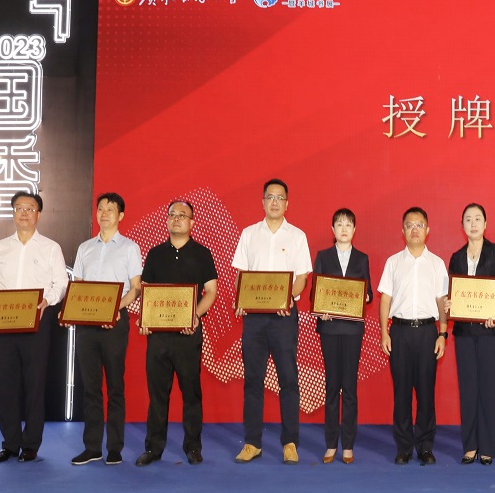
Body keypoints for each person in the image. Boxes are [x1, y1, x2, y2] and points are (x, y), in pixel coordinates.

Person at [0, 191, 68, 464]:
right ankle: (10, 444)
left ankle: (31, 445)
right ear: (13, 213)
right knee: (7, 386)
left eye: (30, 208)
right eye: (19, 208)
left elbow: (61, 283)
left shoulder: (51, 247)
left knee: (34, 385)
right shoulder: (0, 246)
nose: (24, 213)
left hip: (36, 322)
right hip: (2, 324)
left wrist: (47, 300)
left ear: (39, 214)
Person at [233, 178, 312, 465]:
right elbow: (241, 274)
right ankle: (252, 442)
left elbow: (302, 277)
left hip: (283, 317)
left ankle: (290, 442)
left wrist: (287, 299)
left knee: (288, 380)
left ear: (287, 203)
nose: (275, 202)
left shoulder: (297, 236)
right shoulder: (249, 234)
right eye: (270, 197)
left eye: (280, 197)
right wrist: (241, 300)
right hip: (254, 319)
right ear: (263, 202)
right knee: (252, 380)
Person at [135, 200, 217, 467]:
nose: (177, 219)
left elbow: (211, 292)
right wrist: (145, 320)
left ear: (192, 222)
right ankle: (153, 448)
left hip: (188, 334)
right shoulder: (155, 254)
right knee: (158, 395)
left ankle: (193, 447)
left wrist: (195, 316)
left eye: (183, 215)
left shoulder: (202, 254)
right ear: (167, 220)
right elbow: (146, 291)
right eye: (172, 214)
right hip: (158, 337)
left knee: (191, 394)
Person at [69, 192, 143, 466]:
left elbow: (135, 288)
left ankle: (114, 447)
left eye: (110, 210)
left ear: (120, 215)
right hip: (87, 326)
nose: (104, 214)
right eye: (100, 208)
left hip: (115, 323)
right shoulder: (85, 247)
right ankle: (92, 447)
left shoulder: (130, 248)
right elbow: (78, 285)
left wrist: (114, 309)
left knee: (114, 387)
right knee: (90, 387)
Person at [377, 207, 449, 465]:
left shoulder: (437, 263)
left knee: (426, 393)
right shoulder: (393, 262)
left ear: (427, 230)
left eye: (419, 225)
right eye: (409, 225)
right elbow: (385, 299)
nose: (414, 229)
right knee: (402, 393)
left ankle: (425, 447)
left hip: (428, 332)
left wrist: (443, 333)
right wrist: (384, 332)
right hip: (400, 332)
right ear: (403, 230)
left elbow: (442, 301)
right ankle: (404, 447)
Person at [446, 203, 495, 465]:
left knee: (489, 388)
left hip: (490, 332)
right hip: (464, 332)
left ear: (486, 224)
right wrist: (450, 304)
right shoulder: (456, 257)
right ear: (462, 225)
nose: (473, 224)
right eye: (468, 219)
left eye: (477, 219)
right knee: (468, 388)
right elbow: (453, 290)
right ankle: (470, 445)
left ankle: (487, 446)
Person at [313, 208, 373, 464]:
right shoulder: (323, 256)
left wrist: (365, 297)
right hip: (329, 329)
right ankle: (330, 444)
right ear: (333, 229)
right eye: (339, 224)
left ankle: (347, 445)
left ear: (354, 230)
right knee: (331, 386)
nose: (344, 229)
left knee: (349, 387)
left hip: (352, 330)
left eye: (348, 224)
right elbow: (315, 291)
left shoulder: (362, 258)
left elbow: (368, 292)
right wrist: (321, 308)